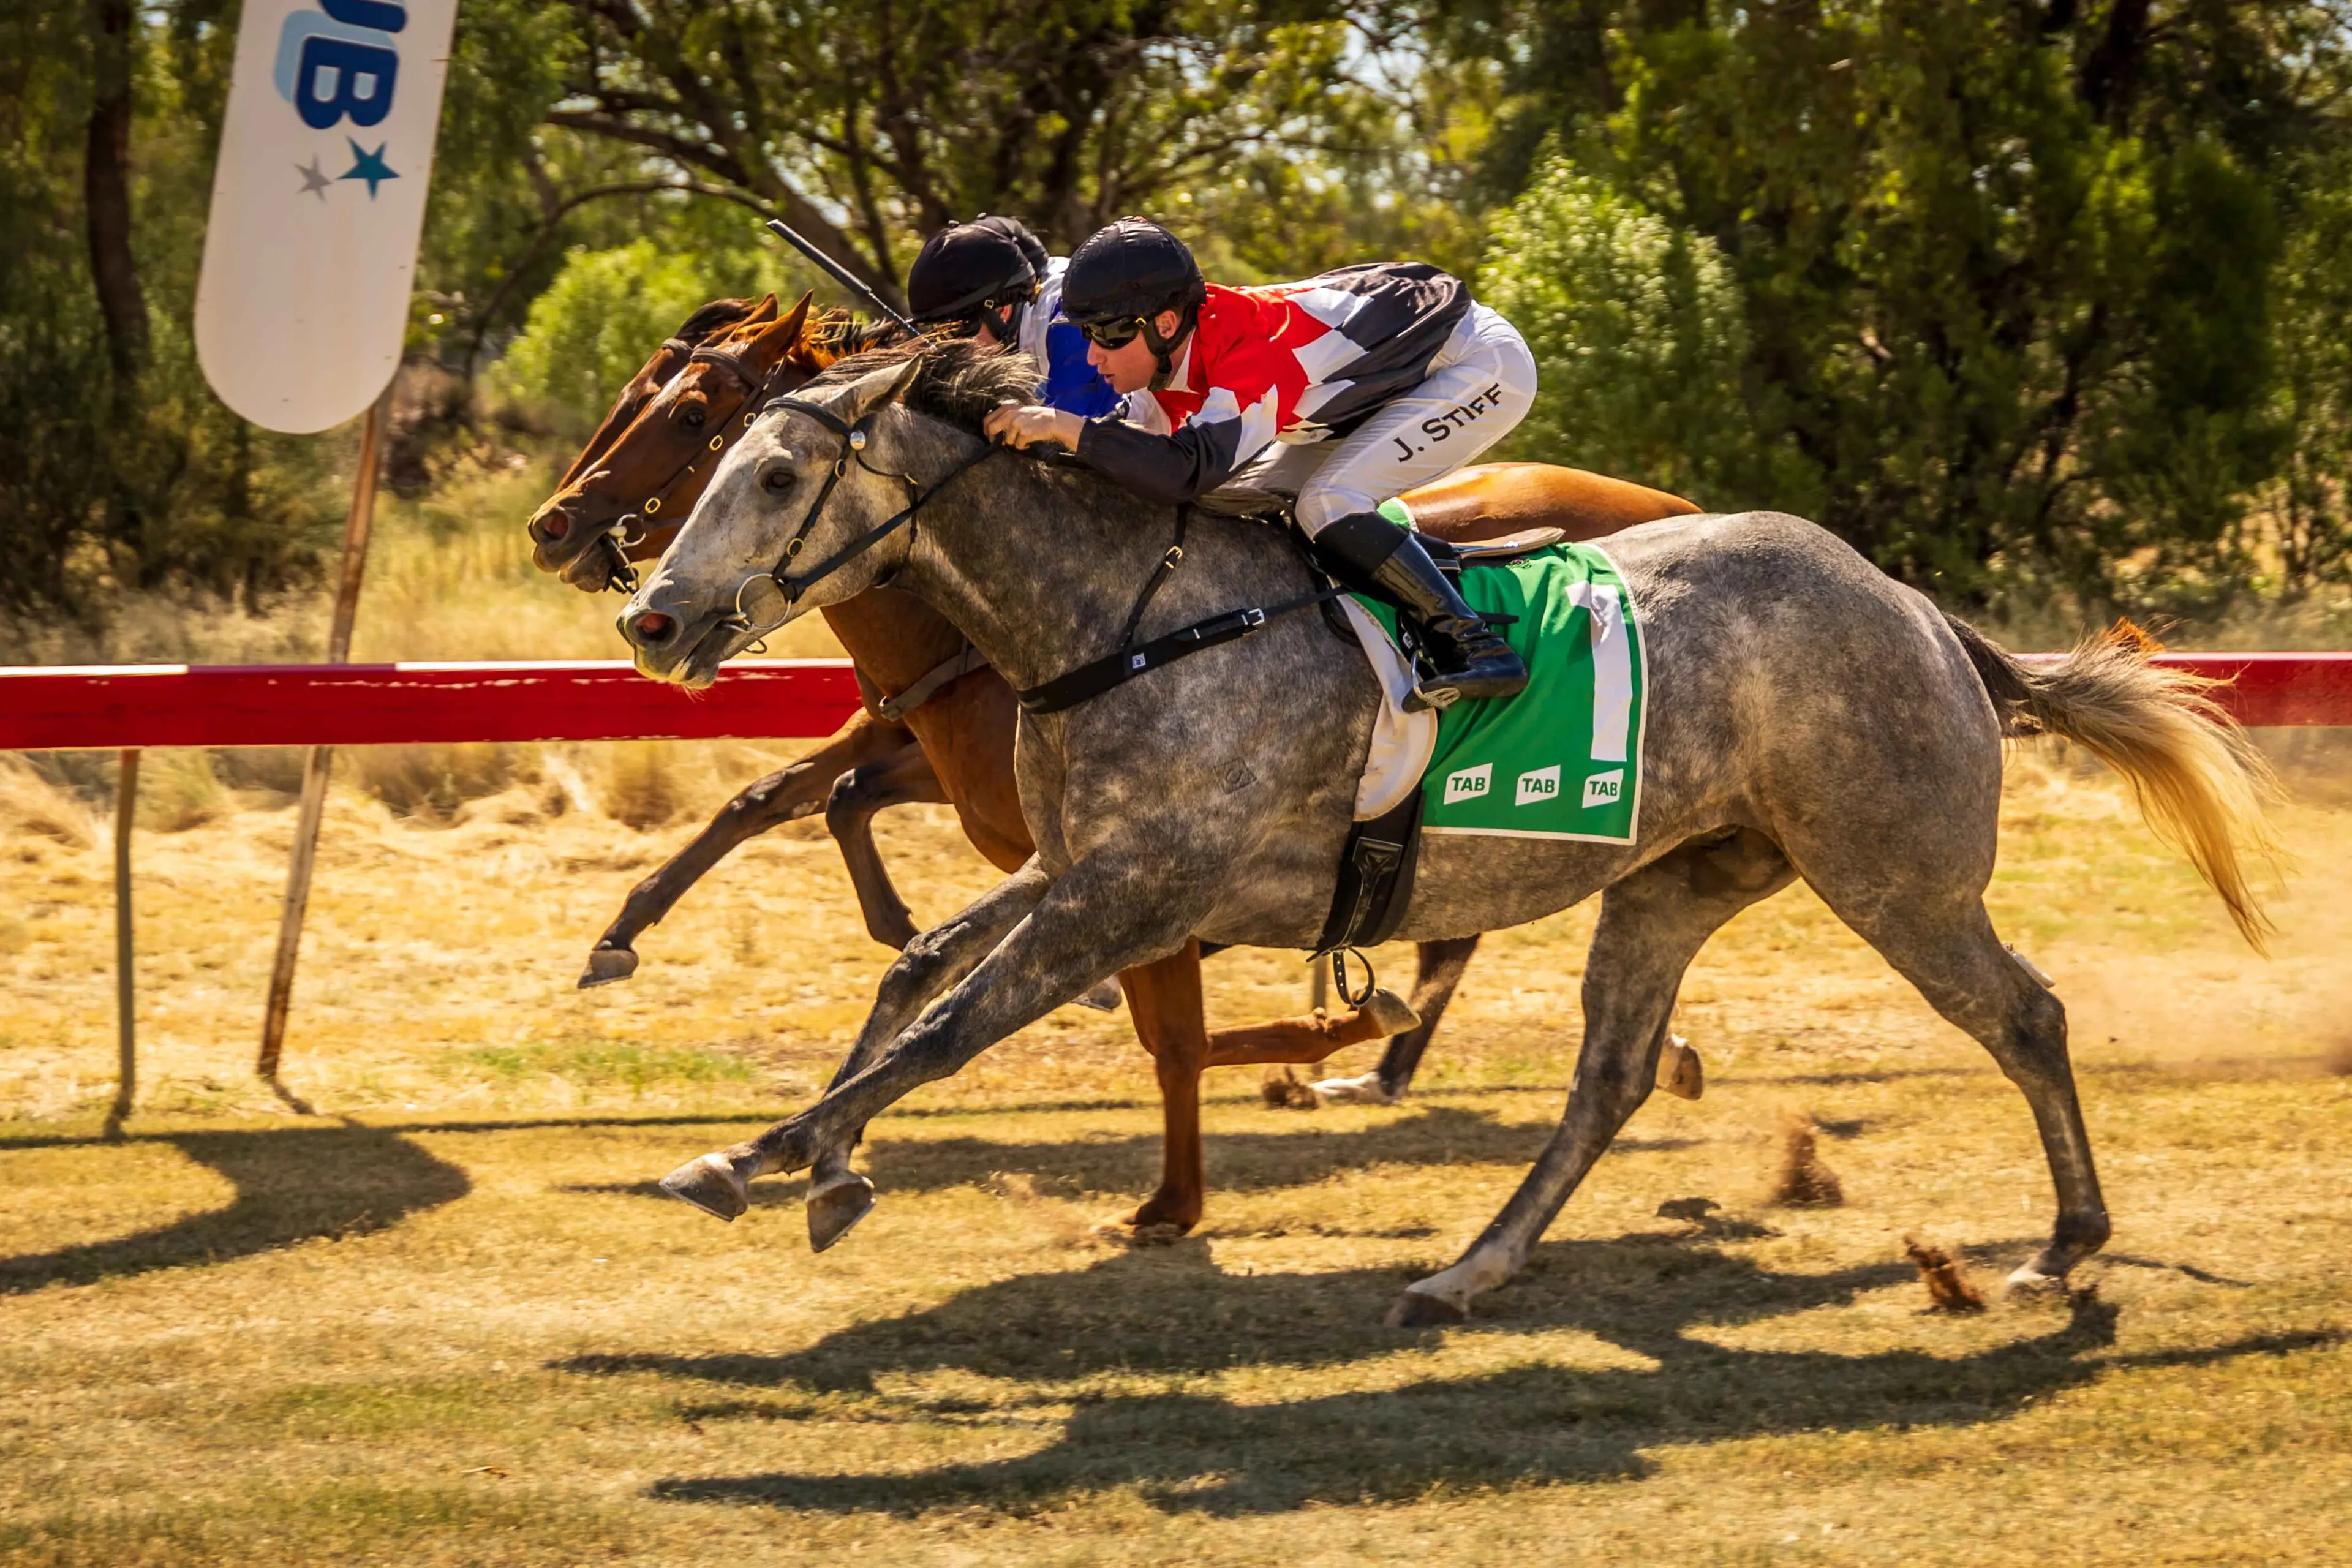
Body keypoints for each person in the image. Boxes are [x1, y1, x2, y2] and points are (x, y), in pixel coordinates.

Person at [980, 217, 1535, 710]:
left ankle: (1473, 643)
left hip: (1474, 365)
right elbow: (1137, 460)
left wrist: (1064, 426)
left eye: (1106, 333)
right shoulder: (1169, 359)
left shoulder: (1251, 348)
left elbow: (1180, 472)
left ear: (1166, 324)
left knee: (1328, 502)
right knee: (1231, 496)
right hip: (1368, 387)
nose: (1094, 353)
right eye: (1084, 334)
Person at [903, 216, 1122, 417]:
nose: (950, 347)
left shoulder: (1068, 321)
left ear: (1002, 311)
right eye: (939, 333)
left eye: (958, 331)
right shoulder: (1014, 326)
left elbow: (1077, 425)